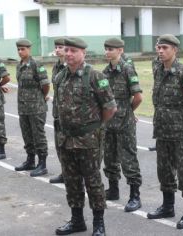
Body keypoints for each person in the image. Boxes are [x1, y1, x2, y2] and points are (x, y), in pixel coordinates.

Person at [54, 37, 117, 236]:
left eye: (73, 50)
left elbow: (110, 108)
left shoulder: (95, 76)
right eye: (66, 50)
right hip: (66, 139)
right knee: (72, 182)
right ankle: (77, 220)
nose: (69, 54)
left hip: (88, 140)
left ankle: (99, 224)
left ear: (83, 54)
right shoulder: (60, 77)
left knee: (93, 182)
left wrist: (95, 128)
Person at [146, 34, 183, 230]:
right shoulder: (158, 69)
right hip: (162, 131)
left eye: (165, 48)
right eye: (159, 47)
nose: (161, 51)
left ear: (175, 50)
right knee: (164, 172)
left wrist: (179, 110)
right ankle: (168, 206)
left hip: (181, 134)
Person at [102, 38, 143, 212]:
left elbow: (138, 97)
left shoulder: (127, 69)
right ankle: (113, 189)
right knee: (110, 157)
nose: (107, 52)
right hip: (109, 123)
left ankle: (135, 196)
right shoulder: (105, 72)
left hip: (124, 123)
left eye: (111, 49)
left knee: (128, 159)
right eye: (106, 49)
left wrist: (128, 112)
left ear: (120, 50)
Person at [14, 39, 50, 177]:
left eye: (23, 49)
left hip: (36, 107)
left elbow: (45, 84)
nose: (20, 52)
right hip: (23, 107)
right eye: (18, 49)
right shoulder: (19, 65)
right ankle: (30, 160)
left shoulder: (36, 64)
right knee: (27, 135)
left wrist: (41, 97)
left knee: (38, 136)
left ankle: (42, 164)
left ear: (29, 49)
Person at [49, 38, 67, 184]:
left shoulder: (71, 66)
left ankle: (74, 175)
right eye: (56, 47)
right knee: (59, 145)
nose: (57, 50)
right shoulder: (56, 66)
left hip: (71, 114)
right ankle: (64, 172)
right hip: (58, 111)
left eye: (60, 47)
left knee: (71, 146)